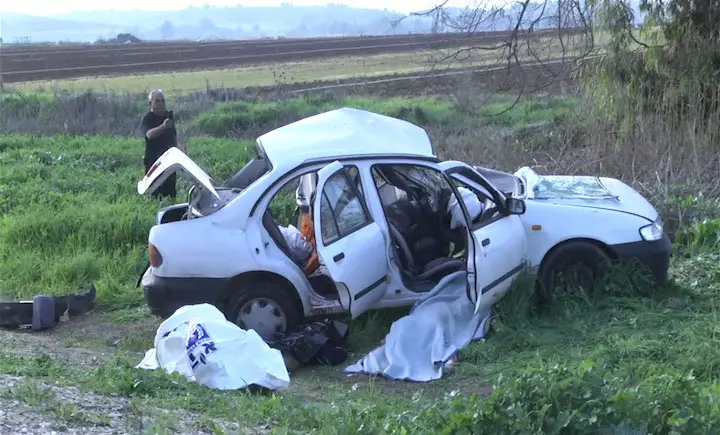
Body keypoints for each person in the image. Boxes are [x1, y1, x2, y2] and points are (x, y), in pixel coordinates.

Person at [140, 89, 177, 199]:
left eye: (162, 101)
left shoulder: (168, 116)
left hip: (169, 162)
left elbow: (173, 136)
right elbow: (149, 135)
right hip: (154, 163)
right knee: (155, 194)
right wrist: (163, 127)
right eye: (157, 101)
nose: (161, 103)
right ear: (150, 103)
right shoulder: (147, 118)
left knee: (170, 195)